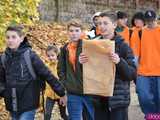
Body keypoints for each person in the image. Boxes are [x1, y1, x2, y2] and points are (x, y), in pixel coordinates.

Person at [0, 25, 66, 120]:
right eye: (8, 37)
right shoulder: (3, 58)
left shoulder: (30, 55)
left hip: (29, 104)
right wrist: (4, 92)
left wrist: (62, 93)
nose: (10, 40)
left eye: (14, 37)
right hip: (12, 105)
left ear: (22, 38)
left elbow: (47, 74)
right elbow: (1, 80)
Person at [79, 11, 136, 120]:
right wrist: (81, 62)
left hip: (118, 101)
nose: (101, 26)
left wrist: (119, 62)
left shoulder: (123, 46)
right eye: (99, 23)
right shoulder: (92, 44)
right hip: (99, 100)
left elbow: (132, 74)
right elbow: (87, 73)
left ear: (114, 25)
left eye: (105, 23)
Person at [57, 19, 94, 120]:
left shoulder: (88, 46)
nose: (74, 33)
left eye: (77, 30)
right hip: (72, 92)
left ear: (81, 32)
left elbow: (95, 66)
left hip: (89, 91)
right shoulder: (64, 49)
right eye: (71, 31)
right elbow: (61, 70)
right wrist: (65, 85)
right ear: (67, 32)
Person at [135, 10, 160, 119]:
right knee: (144, 97)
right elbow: (135, 55)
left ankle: (157, 116)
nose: (150, 23)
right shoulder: (140, 32)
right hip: (143, 72)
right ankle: (152, 116)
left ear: (156, 19)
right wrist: (134, 70)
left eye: (152, 20)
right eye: (148, 21)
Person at [44, 44, 68, 120]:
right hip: (49, 94)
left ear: (57, 55)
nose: (50, 57)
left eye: (52, 55)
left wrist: (65, 93)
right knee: (47, 114)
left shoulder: (61, 66)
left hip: (61, 95)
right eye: (48, 56)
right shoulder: (46, 67)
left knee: (63, 114)